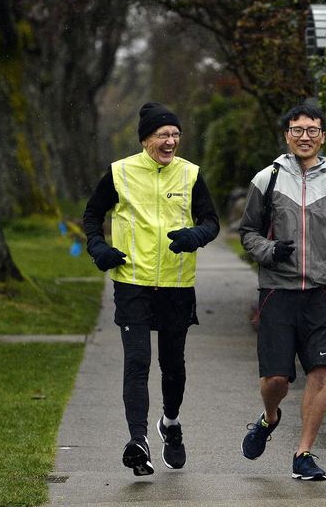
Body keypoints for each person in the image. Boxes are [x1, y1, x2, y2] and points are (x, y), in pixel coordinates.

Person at [83, 102, 219, 476]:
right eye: (164, 135)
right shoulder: (120, 173)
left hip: (176, 284)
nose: (171, 140)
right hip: (132, 281)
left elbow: (212, 222)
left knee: (172, 366)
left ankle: (170, 423)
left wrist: (195, 236)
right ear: (146, 140)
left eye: (175, 134)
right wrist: (98, 247)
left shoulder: (191, 175)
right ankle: (138, 441)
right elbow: (92, 215)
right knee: (138, 361)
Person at [238, 103, 326, 480]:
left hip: (322, 293)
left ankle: (303, 454)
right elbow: (247, 231)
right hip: (277, 290)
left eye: (312, 130)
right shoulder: (267, 180)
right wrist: (268, 250)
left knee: (319, 373)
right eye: (297, 130)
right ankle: (269, 417)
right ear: (286, 136)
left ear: (323, 136)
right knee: (275, 380)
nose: (305, 137)